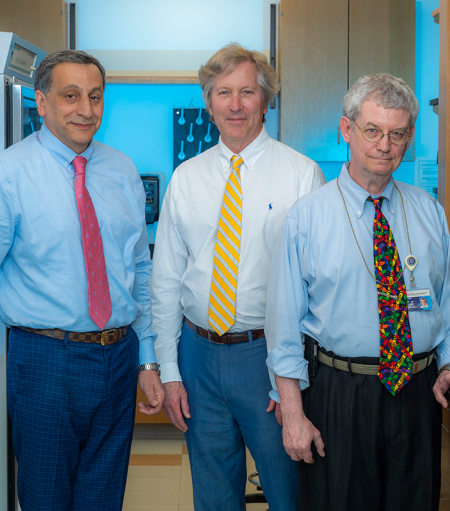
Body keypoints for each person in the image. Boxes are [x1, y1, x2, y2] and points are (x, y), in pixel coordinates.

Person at [0, 50, 165, 511]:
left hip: (118, 358)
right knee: (46, 499)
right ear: (41, 103)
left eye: (95, 97)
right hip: (45, 361)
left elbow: (140, 270)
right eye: (70, 96)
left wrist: (148, 360)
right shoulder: (7, 174)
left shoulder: (121, 170)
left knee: (104, 498)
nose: (86, 109)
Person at [266, 73, 450, 511]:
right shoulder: (307, 217)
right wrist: (292, 413)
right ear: (347, 130)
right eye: (373, 131)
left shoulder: (428, 211)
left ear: (409, 138)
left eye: (397, 134)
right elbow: (283, 329)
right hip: (340, 395)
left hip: (418, 392)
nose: (384, 145)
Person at [150, 43, 325, 510]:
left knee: (289, 493)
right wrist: (169, 372)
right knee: (212, 497)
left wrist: (291, 377)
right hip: (197, 357)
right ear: (208, 102)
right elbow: (165, 279)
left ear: (265, 100)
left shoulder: (302, 176)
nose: (235, 104)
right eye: (223, 93)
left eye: (247, 91)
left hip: (268, 357)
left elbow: (317, 288)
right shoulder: (186, 178)